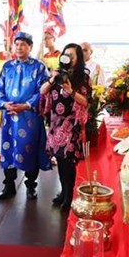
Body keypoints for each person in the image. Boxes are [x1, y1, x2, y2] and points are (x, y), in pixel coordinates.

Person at [0, 31, 51, 201]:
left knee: (30, 149)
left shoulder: (39, 67)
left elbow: (43, 91)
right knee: (8, 149)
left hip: (29, 118)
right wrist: (4, 104)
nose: (19, 47)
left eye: (23, 44)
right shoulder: (7, 66)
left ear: (30, 47)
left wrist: (26, 105)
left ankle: (31, 186)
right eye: (17, 44)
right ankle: (8, 185)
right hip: (10, 117)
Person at [40, 44, 91, 211]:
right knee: (61, 161)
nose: (68, 58)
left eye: (72, 56)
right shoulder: (57, 73)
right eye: (66, 54)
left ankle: (69, 196)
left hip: (71, 123)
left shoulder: (82, 78)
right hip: (55, 123)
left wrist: (70, 91)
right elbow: (42, 91)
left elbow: (86, 102)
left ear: (78, 59)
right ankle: (64, 192)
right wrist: (51, 79)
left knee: (68, 161)